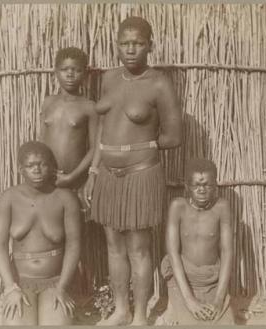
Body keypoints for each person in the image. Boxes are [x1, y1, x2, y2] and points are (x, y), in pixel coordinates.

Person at [84, 16, 182, 326]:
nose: (131, 50)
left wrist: (138, 148)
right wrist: (95, 171)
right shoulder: (109, 79)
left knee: (138, 248)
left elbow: (174, 136)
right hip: (108, 176)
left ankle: (140, 315)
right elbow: (103, 129)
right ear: (116, 45)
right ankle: (121, 311)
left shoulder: (158, 83)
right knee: (114, 247)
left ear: (150, 46)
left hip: (141, 174)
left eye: (138, 44)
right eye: (125, 43)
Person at [0, 141, 82, 325]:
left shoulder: (65, 199)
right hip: (20, 282)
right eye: (30, 166)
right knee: (15, 324)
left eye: (42, 165)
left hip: (55, 281)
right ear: (20, 169)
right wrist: (11, 288)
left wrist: (62, 287)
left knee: (56, 324)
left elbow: (74, 245)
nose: (37, 170)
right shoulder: (9, 198)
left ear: (50, 167)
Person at [155, 158, 233, 325]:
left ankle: (176, 309)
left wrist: (219, 299)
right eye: (196, 185)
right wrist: (189, 300)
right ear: (186, 187)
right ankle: (173, 306)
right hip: (182, 278)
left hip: (211, 279)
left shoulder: (222, 207)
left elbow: (227, 252)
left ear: (215, 186)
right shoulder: (178, 207)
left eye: (207, 185)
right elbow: (173, 253)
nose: (202, 190)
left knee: (220, 321)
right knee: (191, 322)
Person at [40, 47, 97, 193]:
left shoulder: (89, 107)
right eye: (64, 70)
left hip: (74, 181)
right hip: (46, 179)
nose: (70, 75)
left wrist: (72, 176)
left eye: (76, 70)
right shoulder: (48, 103)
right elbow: (41, 140)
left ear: (85, 73)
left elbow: (94, 148)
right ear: (56, 72)